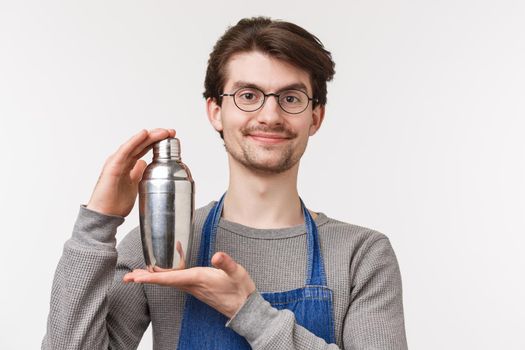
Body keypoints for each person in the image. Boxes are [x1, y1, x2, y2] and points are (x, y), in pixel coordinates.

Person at [42, 17, 407, 349]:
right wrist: (98, 222)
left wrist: (250, 312)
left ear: (315, 117)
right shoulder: (160, 246)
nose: (269, 115)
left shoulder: (361, 255)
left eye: (290, 98)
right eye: (248, 96)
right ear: (216, 111)